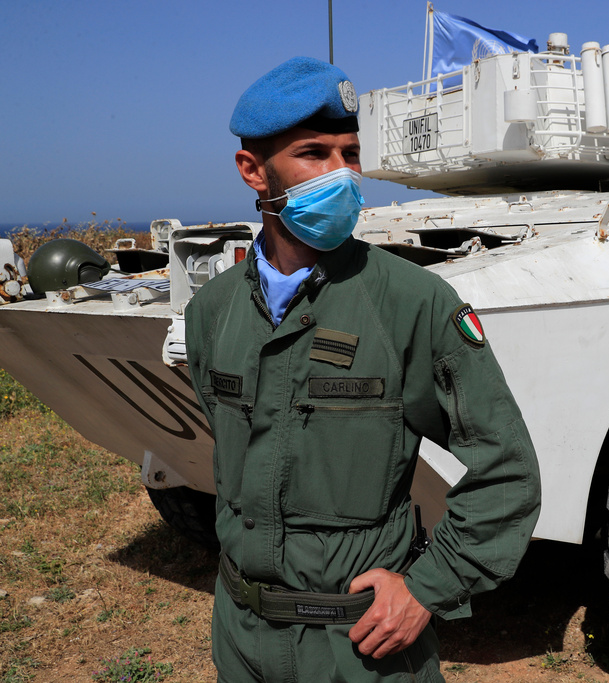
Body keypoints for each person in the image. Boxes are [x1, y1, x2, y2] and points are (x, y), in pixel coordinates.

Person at [184, 56, 542, 682]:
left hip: (360, 649)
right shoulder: (213, 311)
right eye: (314, 153)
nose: (343, 175)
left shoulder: (411, 303)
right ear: (252, 171)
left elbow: (508, 472)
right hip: (240, 640)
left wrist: (428, 587)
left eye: (350, 154)